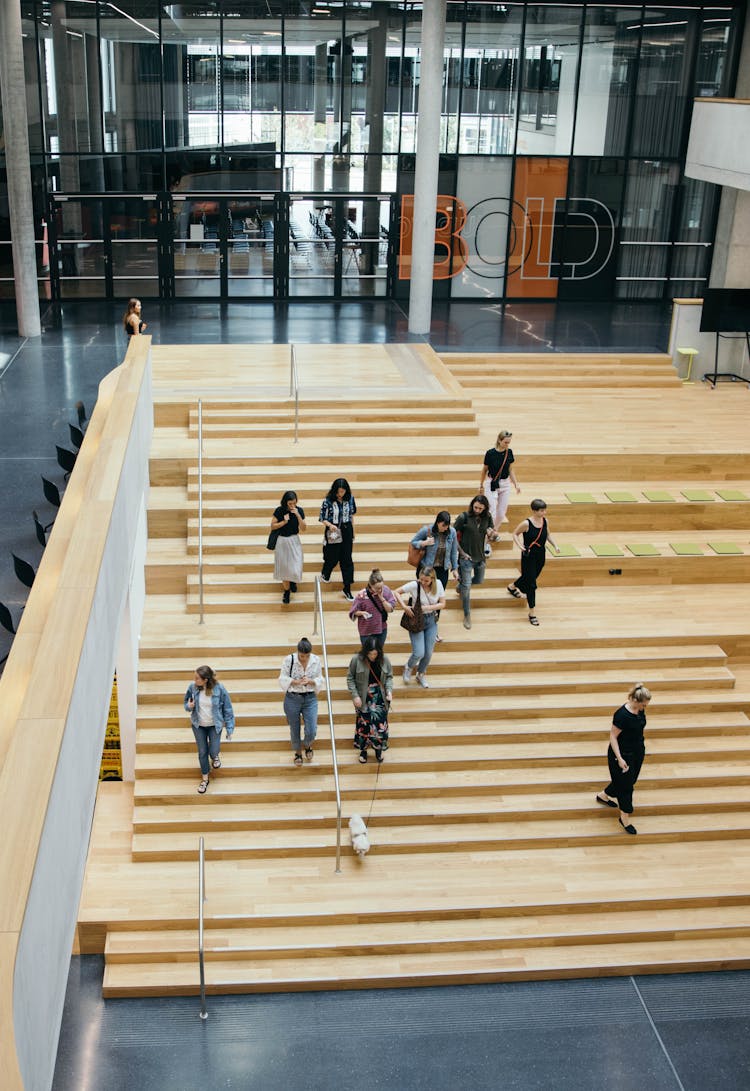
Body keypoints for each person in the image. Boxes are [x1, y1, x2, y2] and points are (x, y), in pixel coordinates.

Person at [596, 684, 653, 835]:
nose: (644, 708)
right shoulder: (621, 715)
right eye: (642, 704)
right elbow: (613, 737)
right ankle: (625, 818)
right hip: (622, 754)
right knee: (627, 787)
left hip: (637, 751)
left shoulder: (640, 710)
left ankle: (603, 795)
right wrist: (619, 758)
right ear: (634, 700)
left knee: (630, 780)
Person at [507, 499, 560, 626]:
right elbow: (515, 534)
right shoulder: (526, 523)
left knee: (530, 577)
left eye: (544, 510)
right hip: (529, 555)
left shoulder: (545, 521)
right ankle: (532, 613)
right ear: (534, 511)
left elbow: (547, 535)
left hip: (541, 554)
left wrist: (555, 545)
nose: (544, 513)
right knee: (531, 584)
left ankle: (512, 586)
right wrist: (520, 546)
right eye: (542, 511)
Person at [183, 665, 235, 794]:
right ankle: (205, 779)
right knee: (202, 752)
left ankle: (215, 756)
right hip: (198, 725)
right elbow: (186, 704)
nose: (194, 680)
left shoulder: (219, 689)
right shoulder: (192, 687)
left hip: (214, 725)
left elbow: (228, 709)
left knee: (213, 750)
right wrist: (189, 706)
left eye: (197, 678)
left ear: (205, 679)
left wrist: (229, 728)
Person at [410, 511, 458, 642]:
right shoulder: (428, 530)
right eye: (443, 525)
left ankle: (433, 628)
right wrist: (424, 543)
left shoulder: (452, 532)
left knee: (437, 598)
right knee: (421, 595)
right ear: (438, 522)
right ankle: (416, 620)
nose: (445, 528)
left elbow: (454, 551)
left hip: (442, 570)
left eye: (447, 526)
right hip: (426, 569)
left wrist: (455, 568)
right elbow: (413, 542)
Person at [394, 566, 446, 689]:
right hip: (416, 619)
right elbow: (396, 592)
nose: (423, 582)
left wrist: (427, 608)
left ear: (432, 579)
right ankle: (408, 667)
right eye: (421, 579)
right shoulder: (414, 585)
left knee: (428, 653)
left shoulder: (438, 584)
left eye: (426, 581)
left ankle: (420, 674)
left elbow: (443, 604)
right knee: (418, 652)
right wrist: (404, 606)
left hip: (431, 620)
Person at [454, 495, 500, 630]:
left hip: (480, 557)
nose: (478, 510)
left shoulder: (488, 517)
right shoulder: (463, 517)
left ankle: (461, 586)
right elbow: (452, 535)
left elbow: (490, 532)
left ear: (485, 508)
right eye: (475, 507)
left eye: (480, 508)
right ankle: (467, 614)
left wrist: (493, 534)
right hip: (466, 559)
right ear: (472, 505)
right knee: (467, 588)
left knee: (479, 580)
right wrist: (461, 553)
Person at [346, 636, 393, 763]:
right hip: (363, 696)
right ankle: (364, 750)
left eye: (375, 653)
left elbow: (389, 677)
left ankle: (378, 750)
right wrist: (355, 695)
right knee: (364, 725)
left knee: (380, 725)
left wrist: (389, 691)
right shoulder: (356, 660)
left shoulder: (384, 660)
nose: (373, 656)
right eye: (370, 653)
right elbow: (350, 678)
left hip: (379, 696)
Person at [278, 638, 323, 766]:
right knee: (294, 728)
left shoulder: (316, 660)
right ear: (298, 652)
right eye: (302, 656)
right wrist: (295, 682)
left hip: (310, 698)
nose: (304, 658)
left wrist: (311, 681)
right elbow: (282, 678)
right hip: (292, 698)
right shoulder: (289, 660)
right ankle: (298, 752)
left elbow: (320, 678)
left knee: (311, 730)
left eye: (307, 656)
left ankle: (308, 745)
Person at [319, 477, 357, 600]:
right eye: (338, 491)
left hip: (346, 530)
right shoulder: (328, 501)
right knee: (332, 556)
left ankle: (347, 588)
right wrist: (330, 525)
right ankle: (326, 572)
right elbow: (322, 518)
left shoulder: (350, 499)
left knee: (347, 559)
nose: (341, 494)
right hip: (333, 530)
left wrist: (353, 532)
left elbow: (351, 516)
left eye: (343, 491)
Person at [479, 430, 520, 531]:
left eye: (509, 442)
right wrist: (481, 484)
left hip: (505, 483)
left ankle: (494, 531)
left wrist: (516, 484)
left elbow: (510, 469)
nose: (507, 444)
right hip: (491, 483)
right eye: (506, 442)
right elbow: (484, 470)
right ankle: (487, 532)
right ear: (499, 440)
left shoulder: (509, 452)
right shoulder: (490, 453)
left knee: (501, 514)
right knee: (492, 511)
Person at [270, 490, 306, 604]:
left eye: (294, 503)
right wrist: (283, 522)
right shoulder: (279, 510)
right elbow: (273, 526)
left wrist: (298, 515)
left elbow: (304, 528)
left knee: (296, 565)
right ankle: (287, 591)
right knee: (284, 567)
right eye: (290, 503)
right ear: (285, 502)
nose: (292, 505)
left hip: (294, 540)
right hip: (282, 541)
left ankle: (293, 580)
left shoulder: (299, 510)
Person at [349, 568, 397, 648]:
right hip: (366, 630)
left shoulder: (386, 590)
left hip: (381, 628)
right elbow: (353, 612)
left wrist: (381, 598)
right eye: (377, 588)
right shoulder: (361, 595)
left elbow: (390, 609)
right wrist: (361, 613)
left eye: (381, 587)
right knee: (367, 654)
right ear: (370, 586)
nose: (380, 590)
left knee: (378, 653)